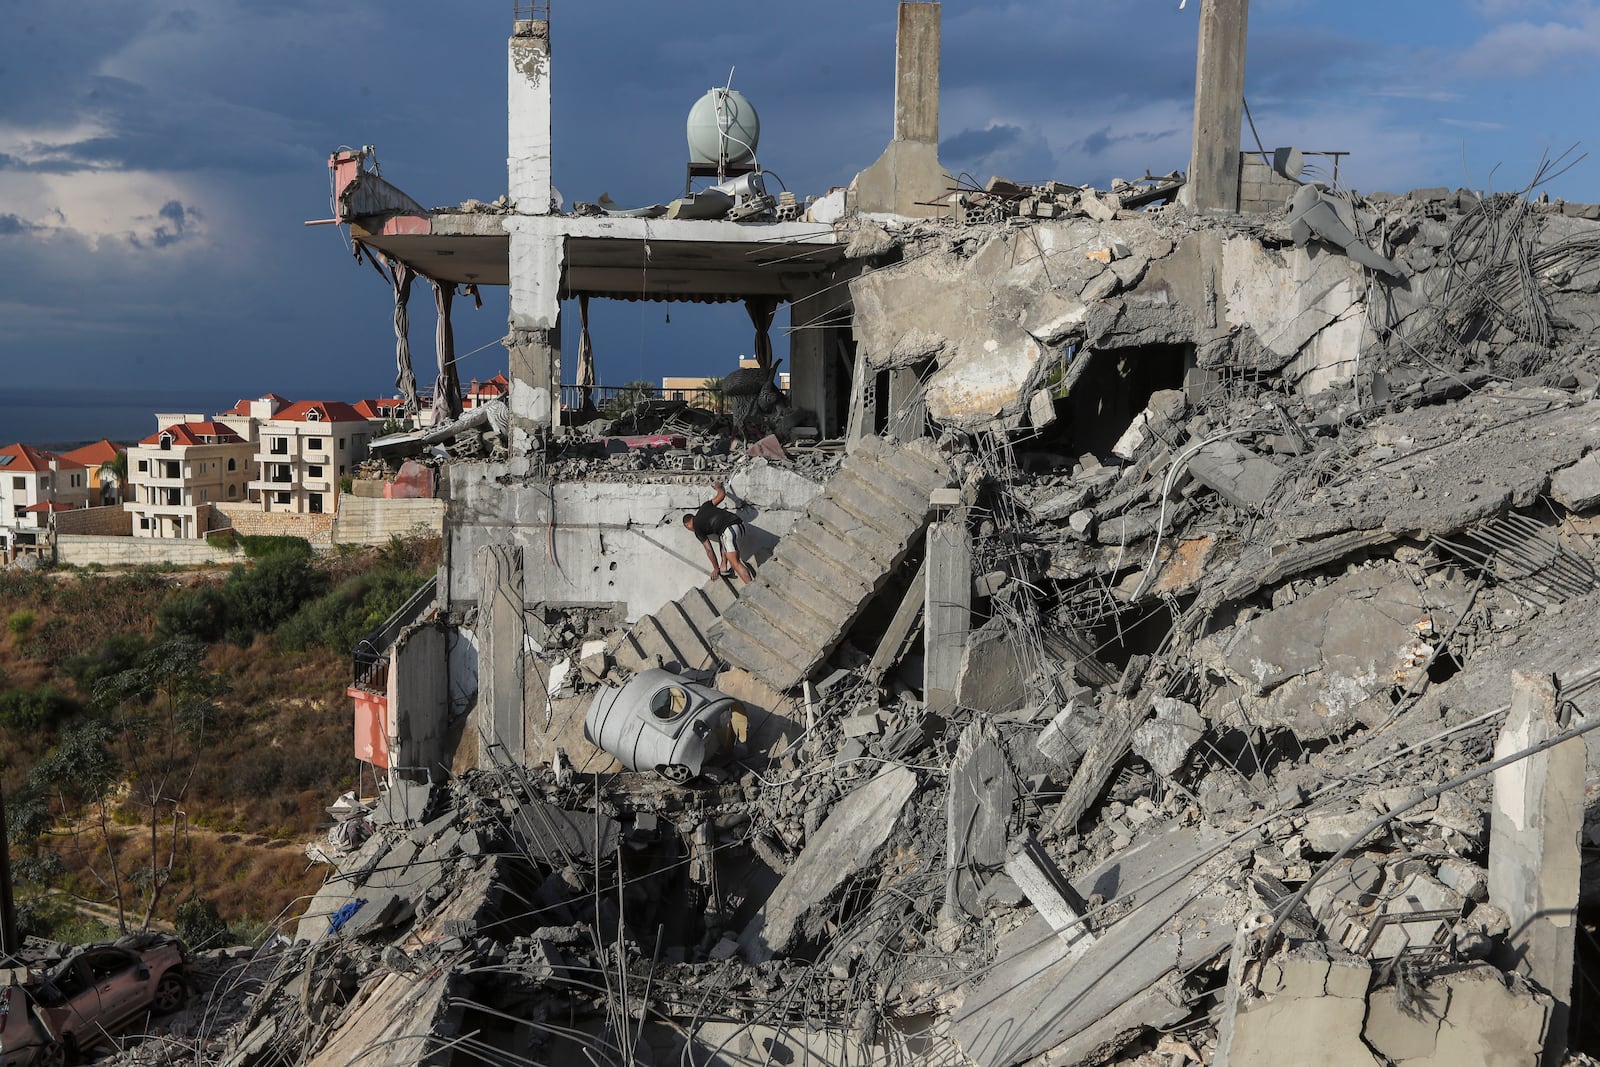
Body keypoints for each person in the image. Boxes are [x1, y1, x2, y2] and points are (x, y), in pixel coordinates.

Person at [683, 480, 753, 583]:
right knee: (721, 537)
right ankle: (723, 566)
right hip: (741, 525)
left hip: (729, 530)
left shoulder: (697, 529)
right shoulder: (704, 507)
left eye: (688, 528)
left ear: (687, 524)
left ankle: (751, 586)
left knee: (735, 563)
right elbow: (721, 495)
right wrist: (719, 487)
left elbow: (709, 550)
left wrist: (715, 568)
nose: (690, 529)